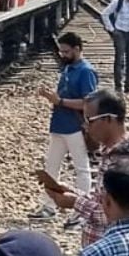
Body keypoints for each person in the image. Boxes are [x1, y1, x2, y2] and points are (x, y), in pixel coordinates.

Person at [39, 88, 128, 246]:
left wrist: (75, 203)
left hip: (110, 250)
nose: (85, 126)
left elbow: (113, 214)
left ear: (109, 119)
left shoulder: (123, 160)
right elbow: (101, 201)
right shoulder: (110, 153)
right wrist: (73, 192)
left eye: (89, 120)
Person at [34, 32, 96, 220]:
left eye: (66, 51)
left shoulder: (86, 71)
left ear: (77, 49)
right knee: (51, 166)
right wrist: (51, 98)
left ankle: (81, 210)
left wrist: (59, 101)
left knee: (82, 168)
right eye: (61, 51)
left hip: (75, 126)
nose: (62, 55)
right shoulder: (69, 67)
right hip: (59, 124)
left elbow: (88, 102)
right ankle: (48, 205)